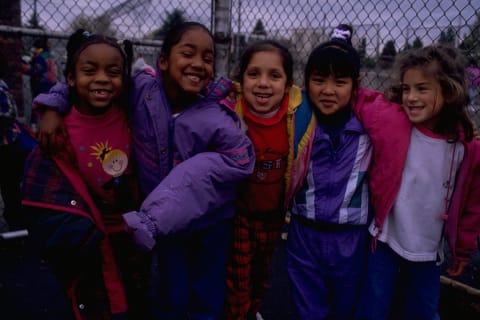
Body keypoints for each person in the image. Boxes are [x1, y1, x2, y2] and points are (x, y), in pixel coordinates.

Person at [33, 21, 255, 320]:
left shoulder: (217, 116)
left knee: (207, 297)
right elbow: (90, 77)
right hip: (167, 227)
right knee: (170, 296)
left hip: (210, 223)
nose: (198, 64)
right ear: (162, 61)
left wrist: (196, 170)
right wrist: (52, 105)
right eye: (188, 53)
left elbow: (242, 159)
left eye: (207, 58)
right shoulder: (140, 92)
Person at [21, 29, 151, 319]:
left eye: (113, 71)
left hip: (131, 229)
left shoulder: (131, 113)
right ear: (70, 79)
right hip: (88, 235)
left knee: (138, 296)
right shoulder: (60, 128)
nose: (102, 78)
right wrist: (51, 109)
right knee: (96, 302)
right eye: (89, 71)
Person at [353, 45, 480, 319]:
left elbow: (472, 205)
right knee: (373, 307)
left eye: (422, 89)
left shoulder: (465, 147)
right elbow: (363, 101)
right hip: (384, 240)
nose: (411, 97)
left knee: (422, 311)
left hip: (427, 250)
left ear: (448, 91)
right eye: (407, 88)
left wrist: (463, 251)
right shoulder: (392, 120)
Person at [283, 24, 374, 319]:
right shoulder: (298, 123)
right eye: (319, 80)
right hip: (303, 235)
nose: (328, 90)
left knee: (347, 308)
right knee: (308, 308)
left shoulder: (371, 129)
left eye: (340, 82)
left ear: (356, 85)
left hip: (351, 241)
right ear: (306, 81)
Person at [222, 40, 302, 320]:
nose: (263, 83)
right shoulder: (229, 113)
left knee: (262, 274)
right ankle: (238, 313)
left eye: (274, 75)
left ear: (288, 83)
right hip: (239, 214)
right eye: (254, 74)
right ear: (240, 79)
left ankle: (252, 310)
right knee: (237, 277)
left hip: (273, 215)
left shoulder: (298, 115)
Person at [0, 51, 36, 231]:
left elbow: (9, 113)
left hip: (7, 145)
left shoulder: (0, 88)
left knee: (10, 185)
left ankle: (16, 221)